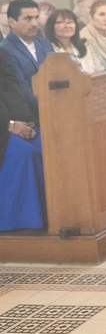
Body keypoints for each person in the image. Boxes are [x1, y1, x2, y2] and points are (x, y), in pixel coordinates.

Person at [0, 53, 45, 231]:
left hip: (10, 122)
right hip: (4, 126)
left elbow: (14, 93)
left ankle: (52, 216)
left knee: (43, 144)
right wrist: (9, 124)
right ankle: (19, 222)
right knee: (24, 153)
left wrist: (28, 124)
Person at [0, 0, 54, 122]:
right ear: (12, 22)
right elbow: (21, 90)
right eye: (28, 19)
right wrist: (49, 108)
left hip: (54, 109)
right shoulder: (5, 49)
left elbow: (56, 76)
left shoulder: (45, 44)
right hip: (30, 117)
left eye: (36, 18)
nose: (34, 23)